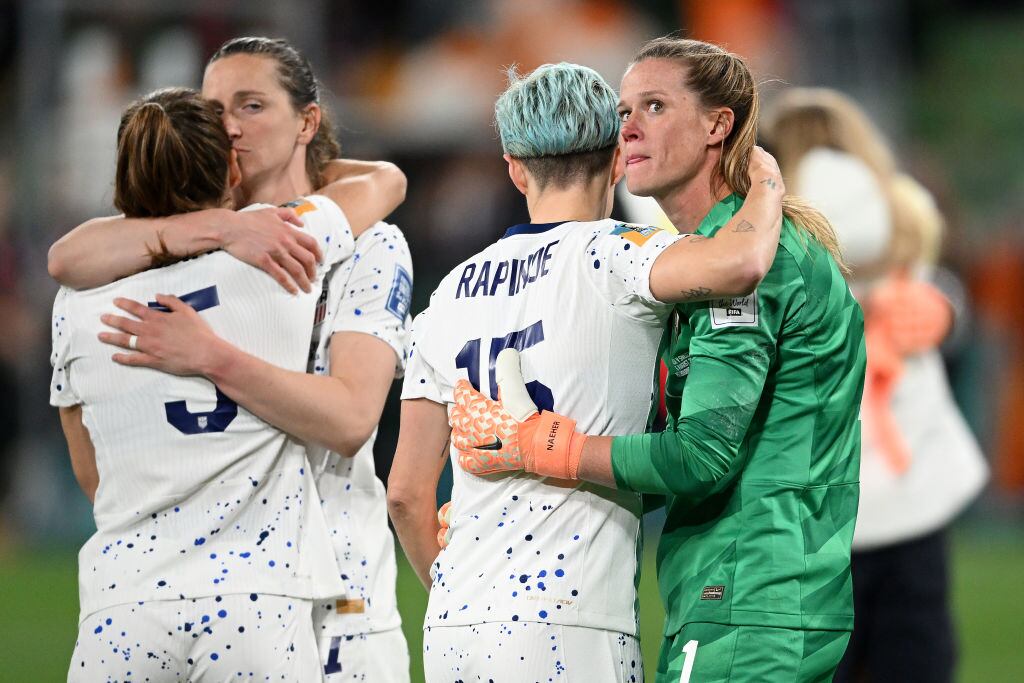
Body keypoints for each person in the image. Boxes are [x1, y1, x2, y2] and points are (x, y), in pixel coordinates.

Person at [450, 38, 865, 682]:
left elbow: (701, 456)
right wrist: (515, 498)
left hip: (752, 593)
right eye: (622, 112)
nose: (629, 128)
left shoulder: (751, 262)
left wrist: (545, 448)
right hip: (732, 592)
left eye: (654, 106)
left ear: (717, 126)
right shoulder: (702, 256)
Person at [388, 61, 785, 682]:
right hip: (570, 625)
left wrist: (459, 591)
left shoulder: (448, 294)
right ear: (619, 159)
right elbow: (740, 265)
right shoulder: (617, 256)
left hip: (454, 626)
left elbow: (407, 494)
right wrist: (766, 184)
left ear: (514, 167)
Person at [48, 37, 413, 681]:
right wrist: (221, 227)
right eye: (215, 110)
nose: (233, 127)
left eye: (252, 104)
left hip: (342, 595)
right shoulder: (179, 241)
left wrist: (210, 357)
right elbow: (67, 255)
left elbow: (354, 416)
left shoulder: (371, 243)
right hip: (251, 596)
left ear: (308, 120)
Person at [762, 88, 988, 683]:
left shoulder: (896, 256)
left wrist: (941, 306)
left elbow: (941, 290)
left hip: (821, 510)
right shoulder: (897, 235)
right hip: (885, 505)